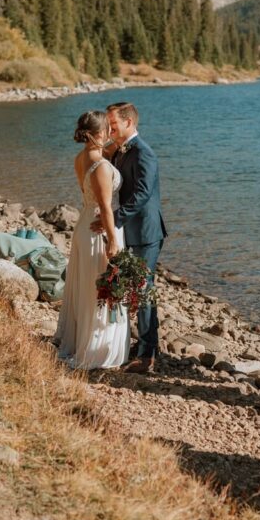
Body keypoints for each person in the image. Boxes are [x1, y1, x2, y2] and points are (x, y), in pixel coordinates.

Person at [92, 102, 167, 374]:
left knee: (143, 288)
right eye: (108, 125)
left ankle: (148, 355)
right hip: (127, 230)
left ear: (129, 123)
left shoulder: (144, 153)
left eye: (113, 124)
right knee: (131, 286)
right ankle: (136, 343)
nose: (109, 129)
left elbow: (143, 193)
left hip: (146, 232)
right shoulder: (121, 150)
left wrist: (113, 219)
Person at [54, 111, 129, 369]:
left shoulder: (81, 158)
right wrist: (113, 241)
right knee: (99, 287)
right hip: (100, 229)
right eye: (108, 128)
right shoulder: (102, 166)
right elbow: (106, 207)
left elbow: (89, 195)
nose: (111, 131)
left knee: (87, 287)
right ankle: (95, 349)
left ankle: (82, 340)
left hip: (85, 223)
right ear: (100, 133)